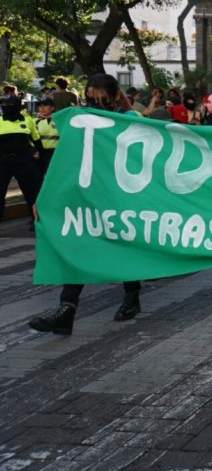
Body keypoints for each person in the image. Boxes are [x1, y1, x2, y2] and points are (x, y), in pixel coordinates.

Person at [28, 74, 143, 335]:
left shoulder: (133, 120)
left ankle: (131, 296)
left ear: (114, 96)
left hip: (121, 197)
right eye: (90, 98)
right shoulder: (80, 122)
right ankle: (66, 309)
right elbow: (63, 161)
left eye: (100, 98)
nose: (95, 103)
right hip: (87, 196)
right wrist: (43, 197)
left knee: (125, 245)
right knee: (76, 243)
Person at [0, 93, 41, 224]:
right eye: (4, 105)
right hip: (3, 162)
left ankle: (37, 221)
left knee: (31, 193)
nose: (6, 107)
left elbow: (36, 140)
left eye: (9, 105)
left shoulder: (28, 120)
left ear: (17, 106)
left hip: (23, 161)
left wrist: (38, 153)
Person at [34, 98, 60, 178]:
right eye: (40, 106)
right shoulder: (35, 121)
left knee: (56, 177)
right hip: (40, 154)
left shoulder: (60, 120)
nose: (42, 108)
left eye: (45, 105)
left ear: (52, 108)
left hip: (57, 153)